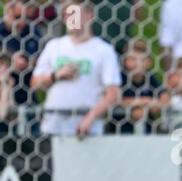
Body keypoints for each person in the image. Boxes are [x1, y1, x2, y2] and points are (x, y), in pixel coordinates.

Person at [31, 0, 121, 137]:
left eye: (75, 14)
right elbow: (34, 83)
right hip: (53, 125)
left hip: (87, 129)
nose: (70, 19)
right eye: (67, 15)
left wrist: (90, 118)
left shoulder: (104, 50)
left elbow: (112, 93)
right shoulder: (54, 46)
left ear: (89, 16)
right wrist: (55, 76)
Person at [111, 39, 170, 134]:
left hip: (148, 132)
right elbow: (115, 99)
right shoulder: (120, 78)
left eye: (141, 60)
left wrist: (151, 107)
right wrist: (144, 101)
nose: (137, 64)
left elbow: (165, 99)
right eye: (132, 59)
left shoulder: (150, 78)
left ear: (149, 62)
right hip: (120, 132)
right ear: (124, 61)